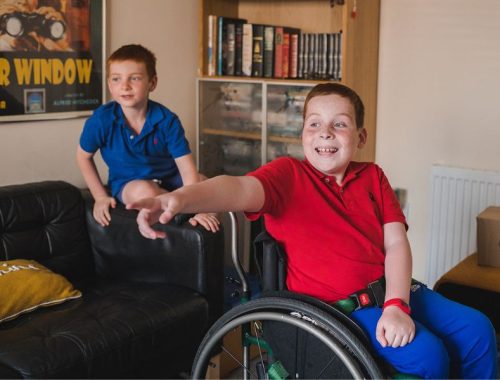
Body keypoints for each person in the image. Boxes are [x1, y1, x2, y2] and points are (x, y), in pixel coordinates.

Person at [127, 82, 497, 379]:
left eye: (340, 123)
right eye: (314, 123)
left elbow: (396, 242)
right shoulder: (288, 175)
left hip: (394, 290)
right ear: (302, 133)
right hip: (343, 308)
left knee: (479, 329)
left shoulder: (372, 176)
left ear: (360, 136)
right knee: (428, 355)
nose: (326, 133)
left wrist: (398, 303)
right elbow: (236, 188)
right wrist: (181, 198)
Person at [77, 44, 219, 232]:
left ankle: (194, 212)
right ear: (110, 84)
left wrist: (199, 205)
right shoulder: (101, 120)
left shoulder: (167, 120)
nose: (125, 86)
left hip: (170, 176)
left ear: (152, 83)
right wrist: (100, 197)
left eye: (134, 78)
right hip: (129, 182)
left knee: (208, 183)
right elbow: (83, 156)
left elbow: (187, 170)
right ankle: (176, 209)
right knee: (146, 192)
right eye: (116, 79)